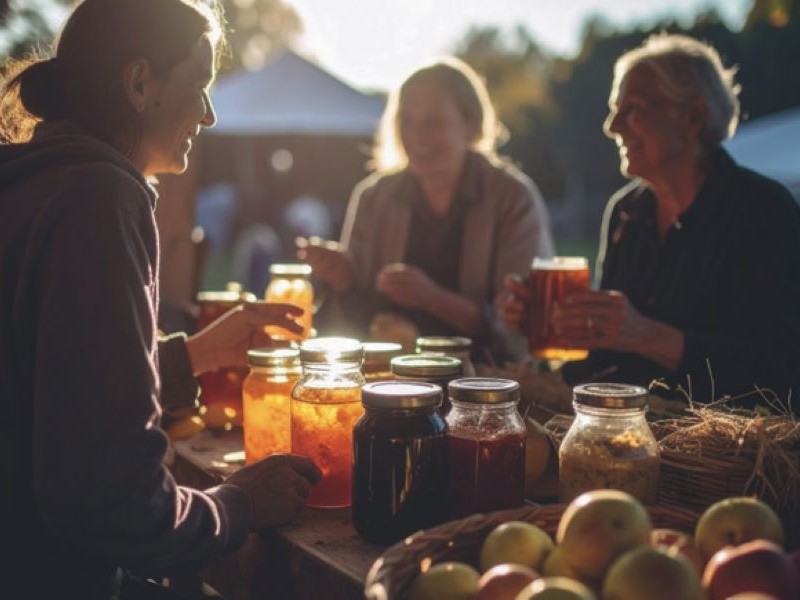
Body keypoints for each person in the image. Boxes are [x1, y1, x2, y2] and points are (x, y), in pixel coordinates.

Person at [0, 1, 321, 598]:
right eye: (199, 84)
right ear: (140, 82)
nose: (208, 113)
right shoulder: (100, 196)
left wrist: (189, 358)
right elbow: (115, 503)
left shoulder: (34, 183)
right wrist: (236, 504)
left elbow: (50, 388)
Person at [498, 33, 800, 406]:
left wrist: (644, 335)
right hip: (626, 435)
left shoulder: (764, 211)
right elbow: (605, 363)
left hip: (724, 454)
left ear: (693, 117)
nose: (612, 126)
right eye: (614, 108)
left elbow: (783, 372)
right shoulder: (627, 212)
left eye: (633, 109)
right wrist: (548, 325)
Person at [297, 57, 554, 358]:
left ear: (471, 126)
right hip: (389, 378)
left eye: (433, 122)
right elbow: (352, 320)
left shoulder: (513, 198)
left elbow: (519, 329)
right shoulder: (373, 197)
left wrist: (431, 297)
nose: (417, 136)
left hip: (486, 385)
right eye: (407, 121)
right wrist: (342, 278)